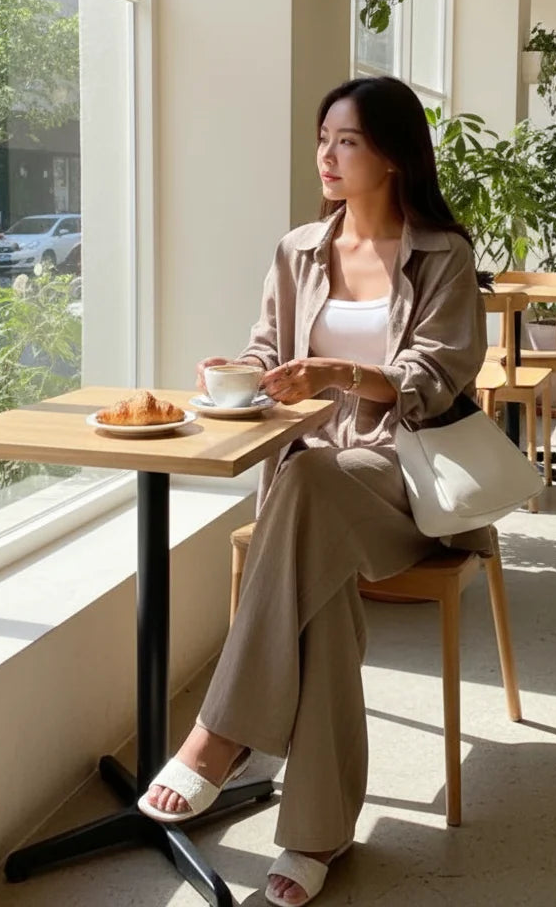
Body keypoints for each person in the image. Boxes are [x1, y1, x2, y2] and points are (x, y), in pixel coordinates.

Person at [138, 76, 488, 907]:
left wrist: (340, 374)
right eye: (323, 138)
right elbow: (266, 347)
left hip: (407, 480)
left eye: (349, 141)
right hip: (312, 486)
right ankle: (316, 834)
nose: (327, 156)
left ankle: (218, 736)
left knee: (312, 485)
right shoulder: (298, 249)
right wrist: (248, 374)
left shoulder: (443, 253)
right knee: (314, 543)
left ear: (395, 155)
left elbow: (436, 379)